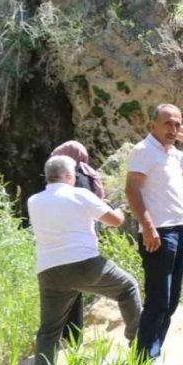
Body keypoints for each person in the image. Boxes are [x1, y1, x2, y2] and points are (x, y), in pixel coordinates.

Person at [29, 156, 142, 365]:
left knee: (49, 331)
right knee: (127, 287)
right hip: (84, 264)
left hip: (49, 271)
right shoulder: (80, 194)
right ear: (71, 176)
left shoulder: (33, 201)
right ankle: (140, 348)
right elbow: (115, 221)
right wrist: (118, 208)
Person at [125, 102, 183, 365]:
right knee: (159, 298)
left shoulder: (171, 152)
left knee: (170, 300)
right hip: (160, 231)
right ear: (152, 126)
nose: (173, 129)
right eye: (168, 124)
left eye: (178, 124)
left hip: (179, 229)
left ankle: (148, 356)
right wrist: (147, 226)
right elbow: (132, 190)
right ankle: (145, 361)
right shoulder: (143, 151)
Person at [50, 140, 108, 344]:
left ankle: (70, 338)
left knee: (66, 291)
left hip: (67, 242)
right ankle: (73, 336)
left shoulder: (75, 179)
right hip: (85, 239)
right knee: (74, 289)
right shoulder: (90, 175)